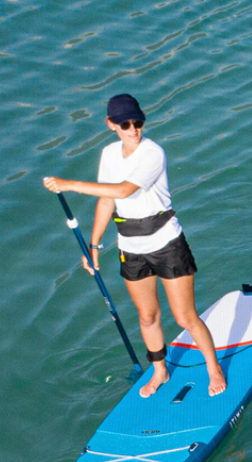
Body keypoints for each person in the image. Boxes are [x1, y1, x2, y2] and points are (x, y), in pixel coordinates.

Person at [43, 94, 226, 397]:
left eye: (138, 122)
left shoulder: (153, 153)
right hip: (131, 246)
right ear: (111, 124)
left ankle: (213, 367)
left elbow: (124, 190)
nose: (133, 129)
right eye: (125, 124)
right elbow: (107, 200)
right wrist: (94, 245)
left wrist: (71, 184)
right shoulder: (109, 154)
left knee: (184, 316)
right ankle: (160, 370)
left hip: (167, 242)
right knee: (147, 316)